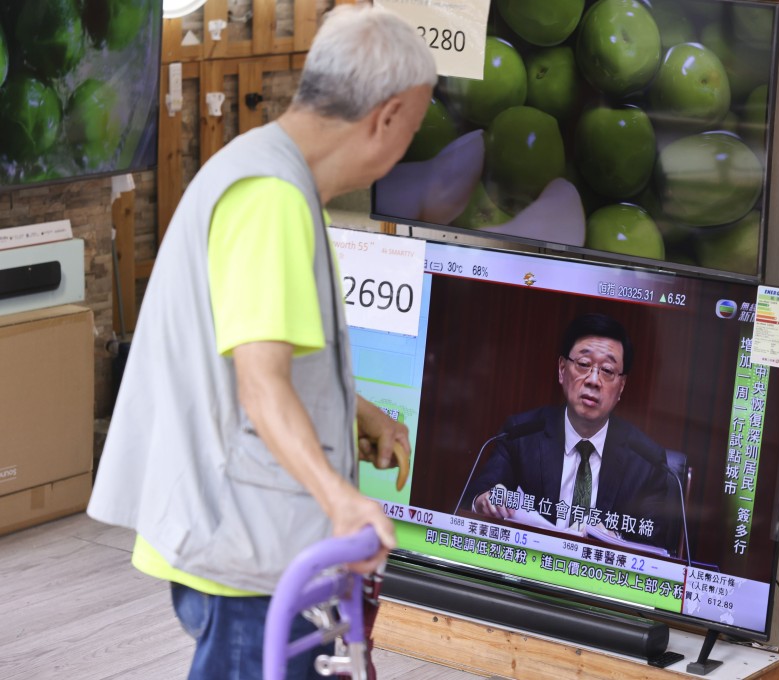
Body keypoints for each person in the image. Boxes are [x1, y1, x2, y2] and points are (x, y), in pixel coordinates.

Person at [86, 5, 436, 678]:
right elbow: (260, 382)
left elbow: (270, 354)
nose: (408, 145)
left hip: (254, 535)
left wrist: (360, 416)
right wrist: (342, 499)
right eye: (414, 128)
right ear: (387, 117)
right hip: (245, 548)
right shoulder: (270, 198)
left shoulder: (269, 177)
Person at [466, 313, 681, 554]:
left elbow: (656, 544)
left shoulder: (647, 462)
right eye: (583, 364)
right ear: (561, 369)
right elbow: (476, 496)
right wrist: (484, 501)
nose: (593, 380)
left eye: (608, 370)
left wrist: (616, 540)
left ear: (621, 387)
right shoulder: (520, 434)